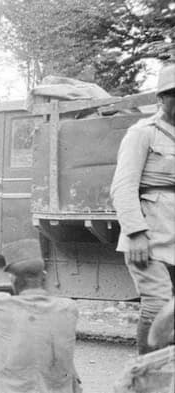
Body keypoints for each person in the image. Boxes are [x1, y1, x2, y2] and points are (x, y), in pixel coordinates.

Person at [110, 63, 175, 355]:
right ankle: (146, 376)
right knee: (158, 303)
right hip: (149, 237)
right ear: (161, 99)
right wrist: (136, 232)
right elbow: (122, 188)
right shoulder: (142, 133)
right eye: (173, 94)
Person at [0, 239, 82, 393]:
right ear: (44, 276)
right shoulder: (69, 307)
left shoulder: (1, 304)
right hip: (57, 387)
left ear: (13, 279)